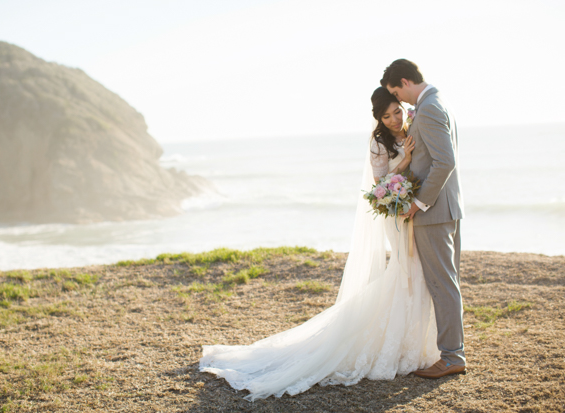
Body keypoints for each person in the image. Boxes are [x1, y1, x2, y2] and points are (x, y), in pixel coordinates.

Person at [199, 84, 441, 401]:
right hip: (395, 214)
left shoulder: (411, 127)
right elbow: (381, 183)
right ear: (378, 119)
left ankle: (416, 343)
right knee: (405, 270)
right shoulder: (377, 143)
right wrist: (406, 160)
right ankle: (396, 345)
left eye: (397, 111)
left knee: (416, 273)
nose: (395, 119)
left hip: (412, 209)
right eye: (387, 116)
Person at [381, 59, 465, 378]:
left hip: (434, 212)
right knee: (448, 282)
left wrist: (417, 203)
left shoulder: (428, 108)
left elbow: (445, 162)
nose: (400, 101)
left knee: (441, 284)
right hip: (448, 208)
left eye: (397, 93)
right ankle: (453, 351)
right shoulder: (440, 101)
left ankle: (452, 356)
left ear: (404, 81)